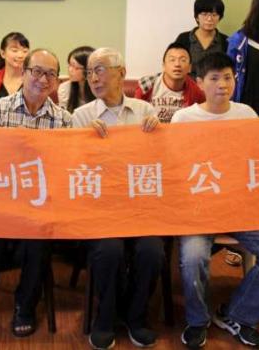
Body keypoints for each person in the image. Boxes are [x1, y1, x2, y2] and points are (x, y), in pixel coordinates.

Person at [173, 53, 259, 349]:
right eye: (214, 78)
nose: (222, 84)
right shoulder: (184, 119)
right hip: (198, 210)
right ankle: (197, 320)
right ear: (199, 83)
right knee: (193, 257)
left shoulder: (246, 114)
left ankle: (238, 315)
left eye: (228, 77)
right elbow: (173, 165)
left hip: (240, 209)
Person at [0, 49, 71, 337]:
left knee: (39, 244)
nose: (43, 79)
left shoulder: (64, 120)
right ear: (23, 73)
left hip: (37, 207)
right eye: (36, 71)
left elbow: (64, 169)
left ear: (56, 81)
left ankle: (25, 306)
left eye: (50, 74)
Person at [72, 47, 163, 350]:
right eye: (89, 72)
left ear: (121, 73)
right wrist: (84, 141)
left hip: (140, 207)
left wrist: (159, 135)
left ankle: (137, 317)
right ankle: (105, 317)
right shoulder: (82, 116)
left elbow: (160, 161)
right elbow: (74, 169)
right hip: (101, 209)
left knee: (151, 251)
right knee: (109, 251)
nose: (93, 78)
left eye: (99, 69)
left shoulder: (145, 111)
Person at [134, 42, 205, 123]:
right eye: (172, 60)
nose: (177, 64)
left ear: (190, 68)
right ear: (164, 66)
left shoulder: (195, 90)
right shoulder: (147, 84)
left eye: (183, 60)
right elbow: (135, 114)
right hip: (152, 129)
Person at [175, 0, 229, 77]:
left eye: (214, 15)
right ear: (197, 17)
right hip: (188, 83)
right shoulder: (183, 38)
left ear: (220, 17)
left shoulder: (226, 41)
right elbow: (176, 63)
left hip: (215, 84)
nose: (209, 19)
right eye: (204, 14)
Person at [57, 45, 95, 112]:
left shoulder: (98, 89)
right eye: (70, 65)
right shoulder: (64, 89)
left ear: (88, 70)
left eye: (76, 67)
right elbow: (64, 115)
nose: (70, 70)